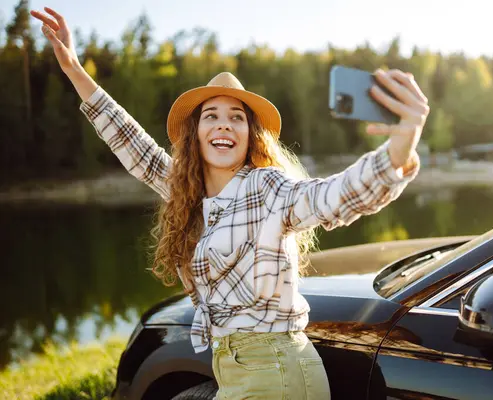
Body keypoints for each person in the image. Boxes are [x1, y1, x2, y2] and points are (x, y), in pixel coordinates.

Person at [31, 6, 429, 399]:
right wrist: (73, 69)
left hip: (276, 373)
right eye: (211, 116)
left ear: (250, 135)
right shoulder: (188, 192)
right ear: (196, 133)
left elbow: (330, 197)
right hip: (238, 371)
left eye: (236, 117)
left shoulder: (266, 188)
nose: (224, 123)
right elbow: (130, 143)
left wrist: (398, 151)